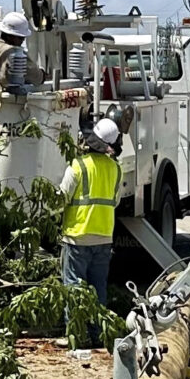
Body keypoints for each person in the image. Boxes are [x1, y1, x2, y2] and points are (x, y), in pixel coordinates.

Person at [60, 117, 121, 353]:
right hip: (104, 236)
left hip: (77, 235)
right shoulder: (115, 168)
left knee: (74, 288)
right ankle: (98, 334)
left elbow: (62, 197)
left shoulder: (79, 166)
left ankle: (76, 336)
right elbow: (114, 201)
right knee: (98, 289)